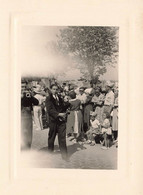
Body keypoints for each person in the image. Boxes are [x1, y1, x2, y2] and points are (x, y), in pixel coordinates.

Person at [45, 84, 70, 161]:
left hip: (61, 121)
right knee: (51, 137)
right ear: (51, 90)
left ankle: (64, 156)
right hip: (53, 120)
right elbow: (49, 110)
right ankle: (50, 152)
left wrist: (67, 103)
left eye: (56, 89)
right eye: (54, 89)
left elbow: (63, 107)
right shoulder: (48, 98)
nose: (55, 91)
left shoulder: (60, 98)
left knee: (62, 138)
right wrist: (58, 114)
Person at [21, 86, 39, 150]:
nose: (23, 89)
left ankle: (27, 150)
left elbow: (36, 102)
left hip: (28, 118)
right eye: (22, 88)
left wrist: (31, 97)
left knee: (28, 135)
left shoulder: (28, 96)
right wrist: (22, 97)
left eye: (24, 88)